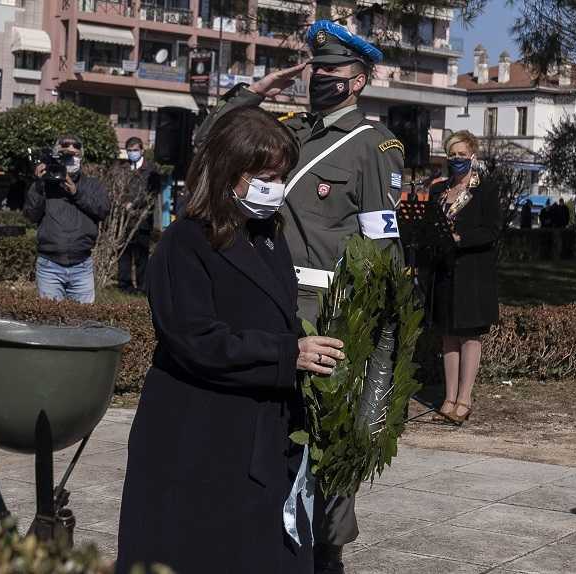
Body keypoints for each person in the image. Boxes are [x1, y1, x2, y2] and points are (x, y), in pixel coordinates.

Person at [194, 20, 405, 573]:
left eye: (331, 71)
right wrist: (256, 93)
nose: (319, 78)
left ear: (357, 82)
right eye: (315, 69)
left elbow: (384, 249)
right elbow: (210, 141)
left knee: (324, 447)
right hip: (266, 306)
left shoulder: (372, 146)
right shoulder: (291, 133)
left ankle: (327, 554)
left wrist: (379, 340)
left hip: (324, 316)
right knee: (266, 440)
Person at [116, 105, 345, 574]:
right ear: (228, 170)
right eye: (265, 175)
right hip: (199, 436)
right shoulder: (185, 242)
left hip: (259, 429)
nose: (275, 187)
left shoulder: (266, 234)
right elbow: (195, 339)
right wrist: (288, 354)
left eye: (281, 175)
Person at [427, 130, 500, 425]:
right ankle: (448, 397)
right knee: (448, 336)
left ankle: (465, 398)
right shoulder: (438, 191)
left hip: (473, 273)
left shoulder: (486, 189)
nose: (456, 159)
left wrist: (460, 238)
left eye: (461, 155)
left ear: (472, 156)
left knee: (469, 335)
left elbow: (492, 230)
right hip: (444, 272)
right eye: (452, 154)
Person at [23, 134, 110, 303]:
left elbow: (103, 210)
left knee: (83, 323)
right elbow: (31, 214)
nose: (71, 158)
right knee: (51, 322)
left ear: (81, 157)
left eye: (75, 155)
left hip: (82, 265)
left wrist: (76, 193)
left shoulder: (92, 185)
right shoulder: (45, 184)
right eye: (66, 155)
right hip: (49, 266)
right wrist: (39, 184)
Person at [117, 137, 161, 294]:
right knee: (124, 255)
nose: (132, 153)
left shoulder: (151, 170)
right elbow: (117, 190)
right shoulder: (122, 169)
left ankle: (143, 286)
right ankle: (124, 285)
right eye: (129, 150)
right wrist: (123, 203)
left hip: (142, 220)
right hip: (124, 221)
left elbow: (152, 192)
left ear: (142, 150)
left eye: (135, 150)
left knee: (142, 255)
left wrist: (134, 205)